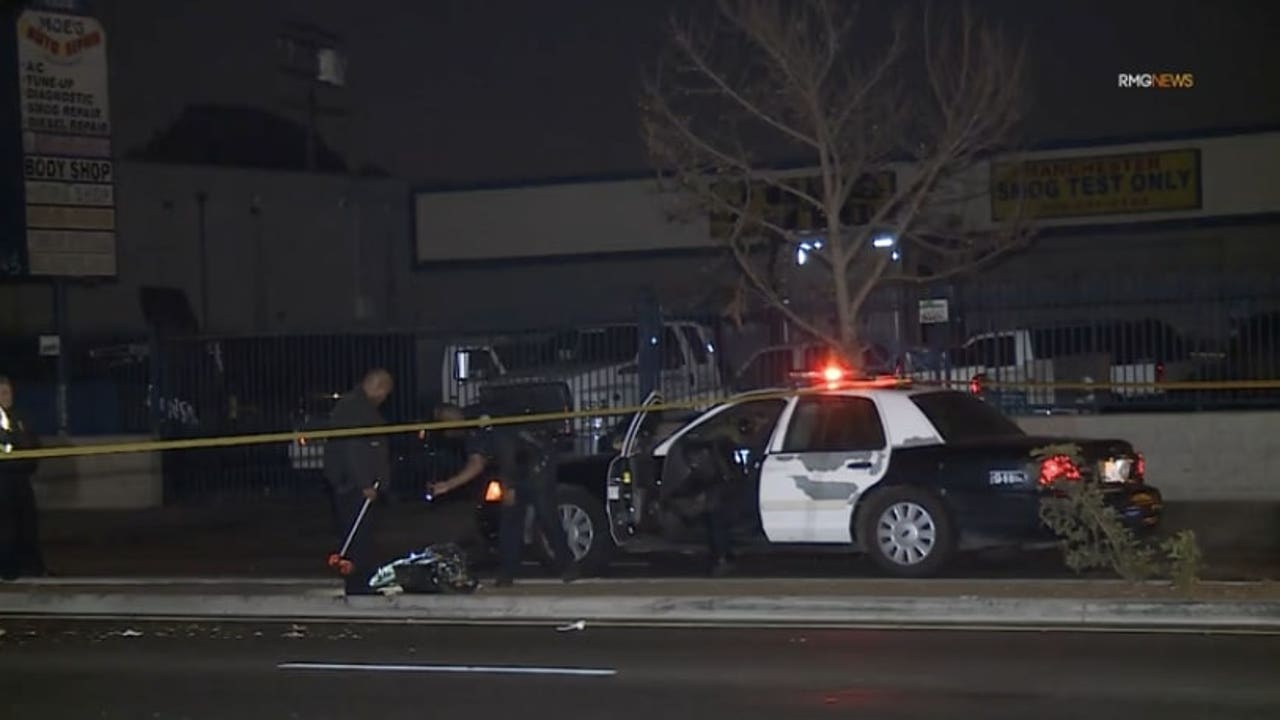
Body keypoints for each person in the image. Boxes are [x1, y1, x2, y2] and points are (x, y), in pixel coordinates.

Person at [427, 403, 577, 587]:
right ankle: (508, 571)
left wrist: (510, 485)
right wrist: (448, 485)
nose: (448, 433)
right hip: (520, 467)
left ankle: (567, 565)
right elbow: (477, 464)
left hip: (537, 462)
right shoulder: (473, 429)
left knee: (546, 514)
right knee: (510, 519)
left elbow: (508, 448)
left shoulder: (480, 421)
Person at [322, 368, 393, 596]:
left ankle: (362, 581)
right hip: (354, 485)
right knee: (357, 536)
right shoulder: (355, 409)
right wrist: (364, 483)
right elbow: (354, 449)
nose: (384, 399)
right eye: (384, 392)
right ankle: (359, 584)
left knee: (360, 535)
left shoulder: (356, 407)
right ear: (377, 387)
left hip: (355, 483)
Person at [0, 376, 48, 580]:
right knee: (6, 528)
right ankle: (8, 569)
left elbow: (33, 445)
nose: (5, 396)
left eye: (7, 392)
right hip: (2, 483)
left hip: (21, 480)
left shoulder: (21, 417)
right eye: (1, 392)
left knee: (28, 524)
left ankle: (34, 567)